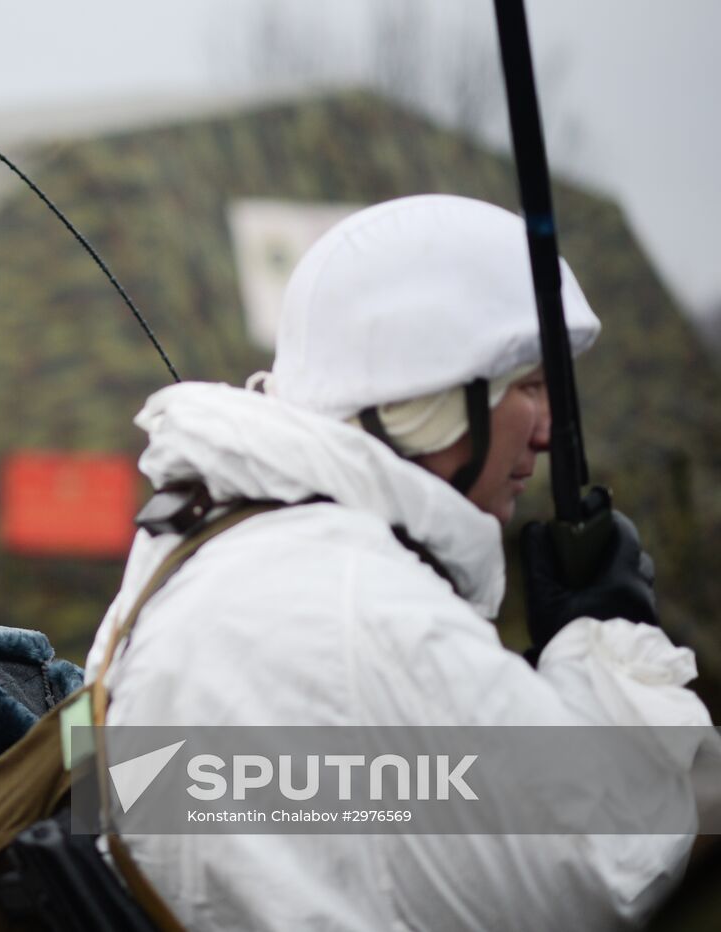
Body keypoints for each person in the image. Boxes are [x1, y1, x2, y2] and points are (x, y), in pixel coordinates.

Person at [84, 195, 714, 930]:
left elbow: (113, 795)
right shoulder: (365, 604)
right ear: (432, 396)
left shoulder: (205, 541)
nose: (545, 434)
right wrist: (606, 644)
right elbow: (609, 873)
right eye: (531, 387)